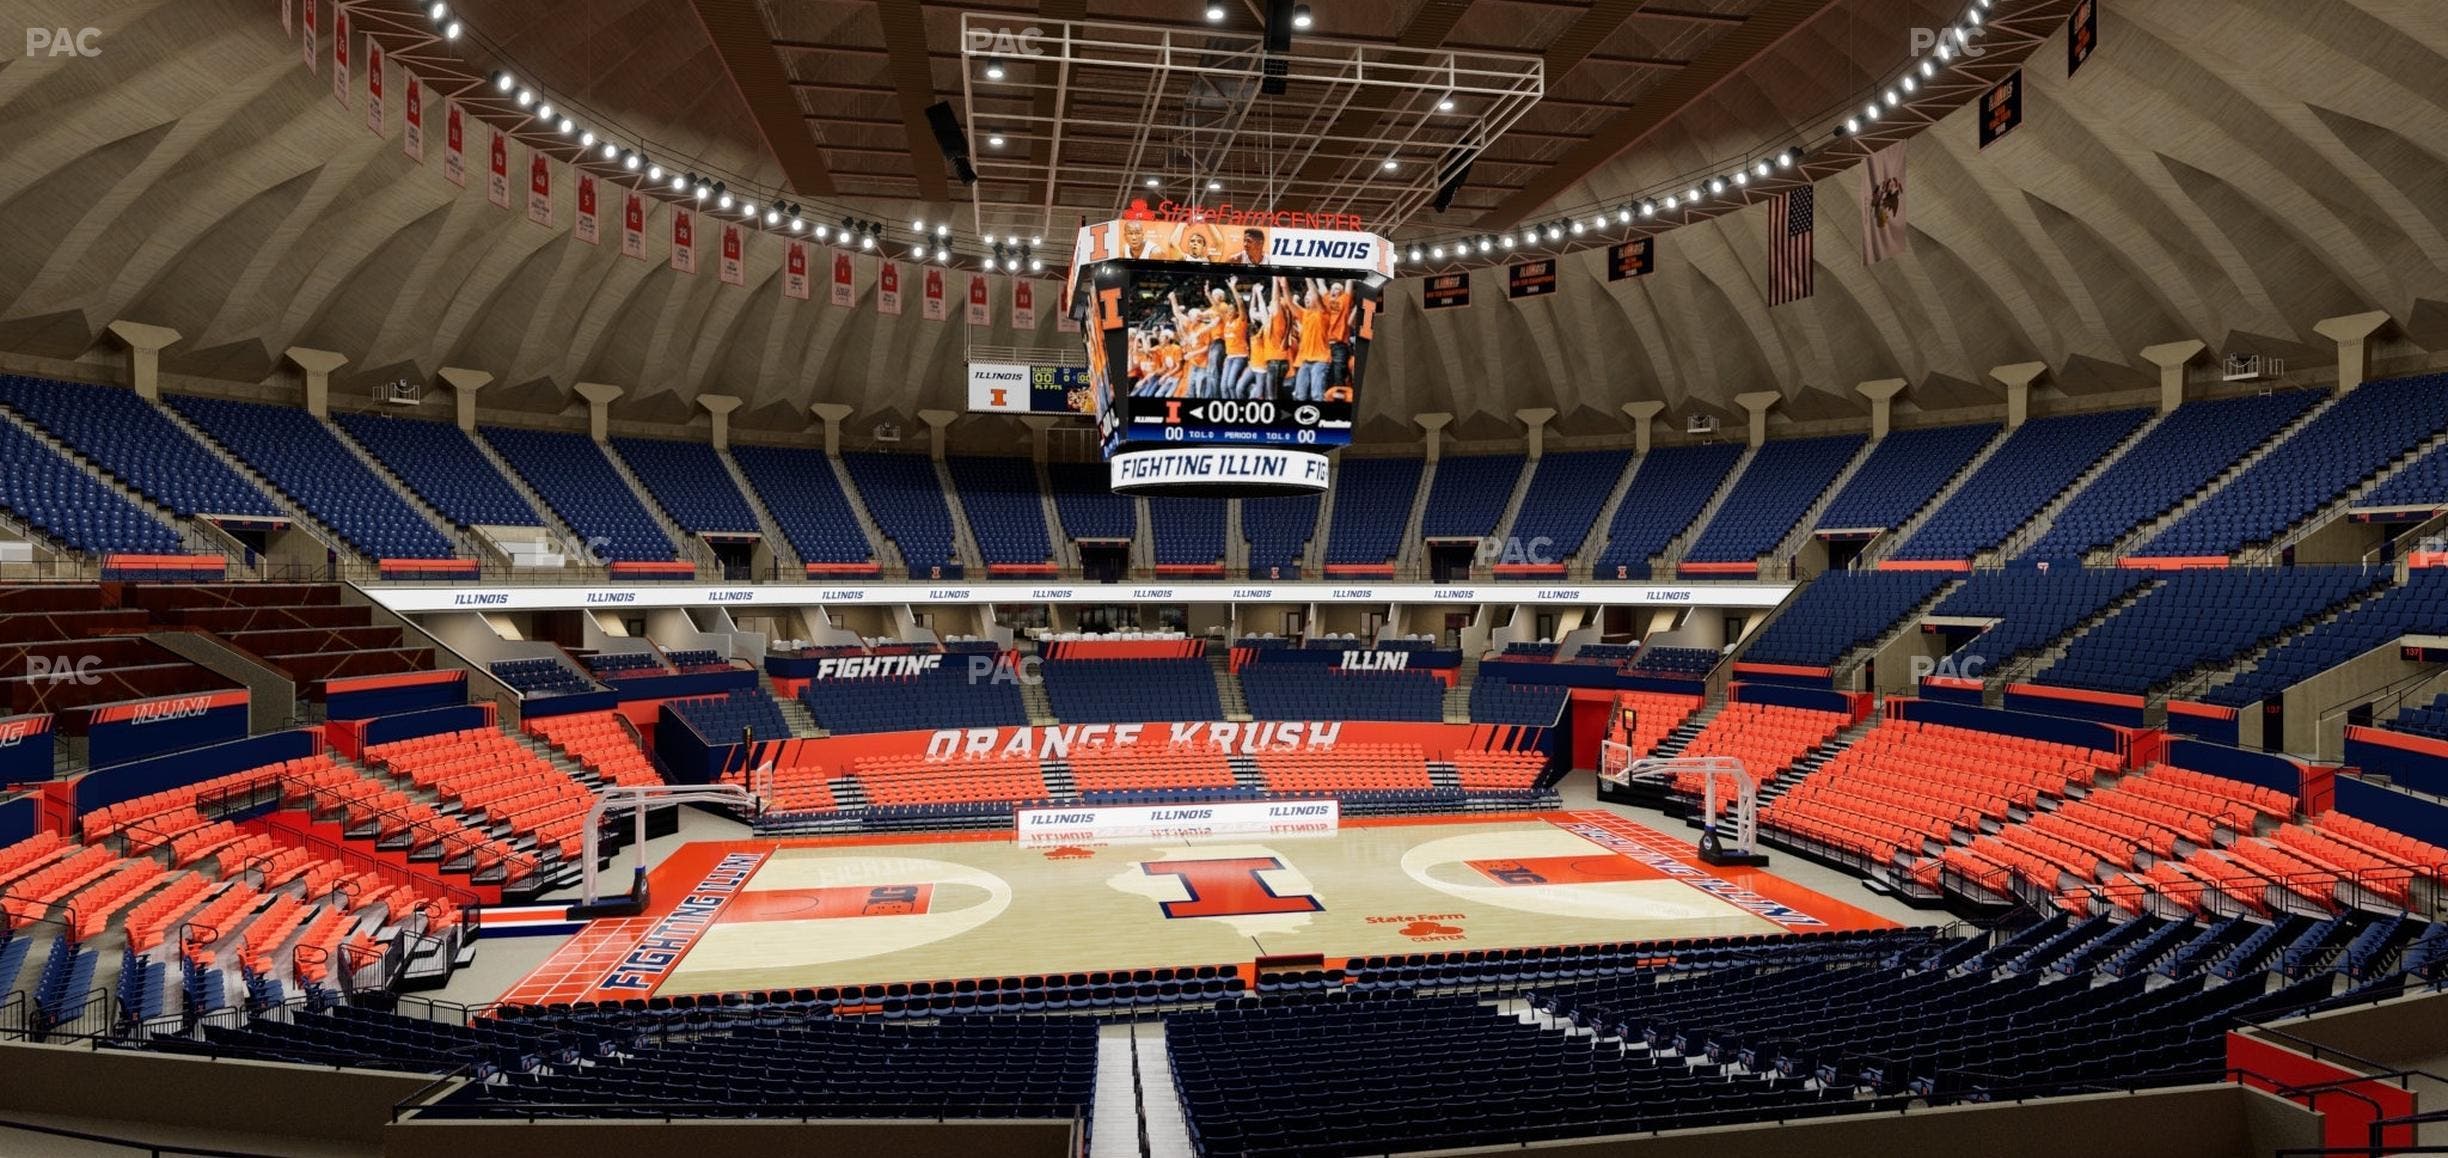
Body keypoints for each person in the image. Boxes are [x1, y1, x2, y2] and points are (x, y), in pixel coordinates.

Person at [1290, 278, 1333, 404]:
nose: (1307, 297)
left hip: (1320, 358)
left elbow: (1315, 295)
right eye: (1306, 295)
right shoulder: (1305, 314)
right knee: (1299, 395)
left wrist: (1308, 278)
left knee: (1316, 395)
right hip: (1305, 359)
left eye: (1310, 294)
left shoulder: (1323, 311)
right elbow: (1292, 305)